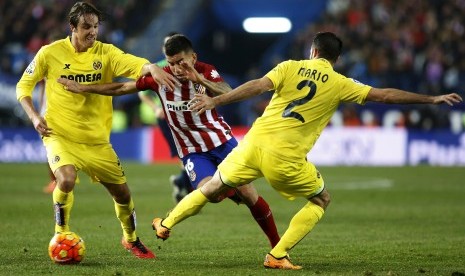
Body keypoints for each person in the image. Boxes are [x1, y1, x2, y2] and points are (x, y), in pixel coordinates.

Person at [147, 32, 461, 270]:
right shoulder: (339, 82)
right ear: (334, 59)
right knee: (322, 199)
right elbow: (386, 96)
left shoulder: (289, 67)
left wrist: (215, 101)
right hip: (285, 158)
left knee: (214, 185)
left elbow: (255, 86)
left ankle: (166, 224)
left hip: (253, 144)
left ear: (312, 51)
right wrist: (430, 99)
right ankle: (277, 254)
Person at [57, 34, 281, 249]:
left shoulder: (205, 71)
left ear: (193, 58)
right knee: (211, 194)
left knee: (249, 194)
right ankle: (229, 189)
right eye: (172, 63)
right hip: (193, 151)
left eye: (181, 62)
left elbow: (227, 90)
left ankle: (277, 248)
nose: (176, 68)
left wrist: (200, 79)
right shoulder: (161, 77)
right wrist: (83, 88)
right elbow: (121, 87)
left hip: (221, 142)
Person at [16, 1, 178, 259]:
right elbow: (23, 87)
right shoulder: (50, 53)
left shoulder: (106, 53)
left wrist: (152, 68)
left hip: (97, 142)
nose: (92, 32)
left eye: (95, 27)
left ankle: (131, 239)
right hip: (60, 134)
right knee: (66, 179)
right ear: (72, 27)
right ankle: (61, 232)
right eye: (86, 27)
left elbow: (137, 64)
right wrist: (35, 116)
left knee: (123, 194)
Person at [138, 31, 192, 203]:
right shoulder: (157, 68)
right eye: (167, 44)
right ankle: (188, 187)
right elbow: (141, 93)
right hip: (167, 119)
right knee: (185, 154)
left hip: (187, 117)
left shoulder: (189, 66)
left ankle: (182, 183)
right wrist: (156, 108)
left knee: (191, 153)